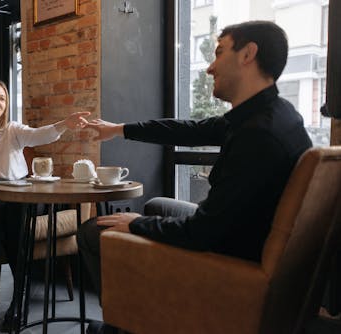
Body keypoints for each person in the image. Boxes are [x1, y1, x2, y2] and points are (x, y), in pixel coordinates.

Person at [77, 21, 313, 334]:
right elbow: (190, 129)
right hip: (248, 235)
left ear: (248, 54)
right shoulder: (274, 114)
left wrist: (135, 224)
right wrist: (118, 129)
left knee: (96, 231)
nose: (210, 68)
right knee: (159, 204)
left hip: (233, 256)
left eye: (219, 52)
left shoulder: (258, 136)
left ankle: (126, 323)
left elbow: (202, 232)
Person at [0, 79, 89, 320]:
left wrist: (65, 124)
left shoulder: (13, 130)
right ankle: (19, 299)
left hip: (26, 197)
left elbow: (39, 135)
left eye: (2, 98)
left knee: (10, 205)